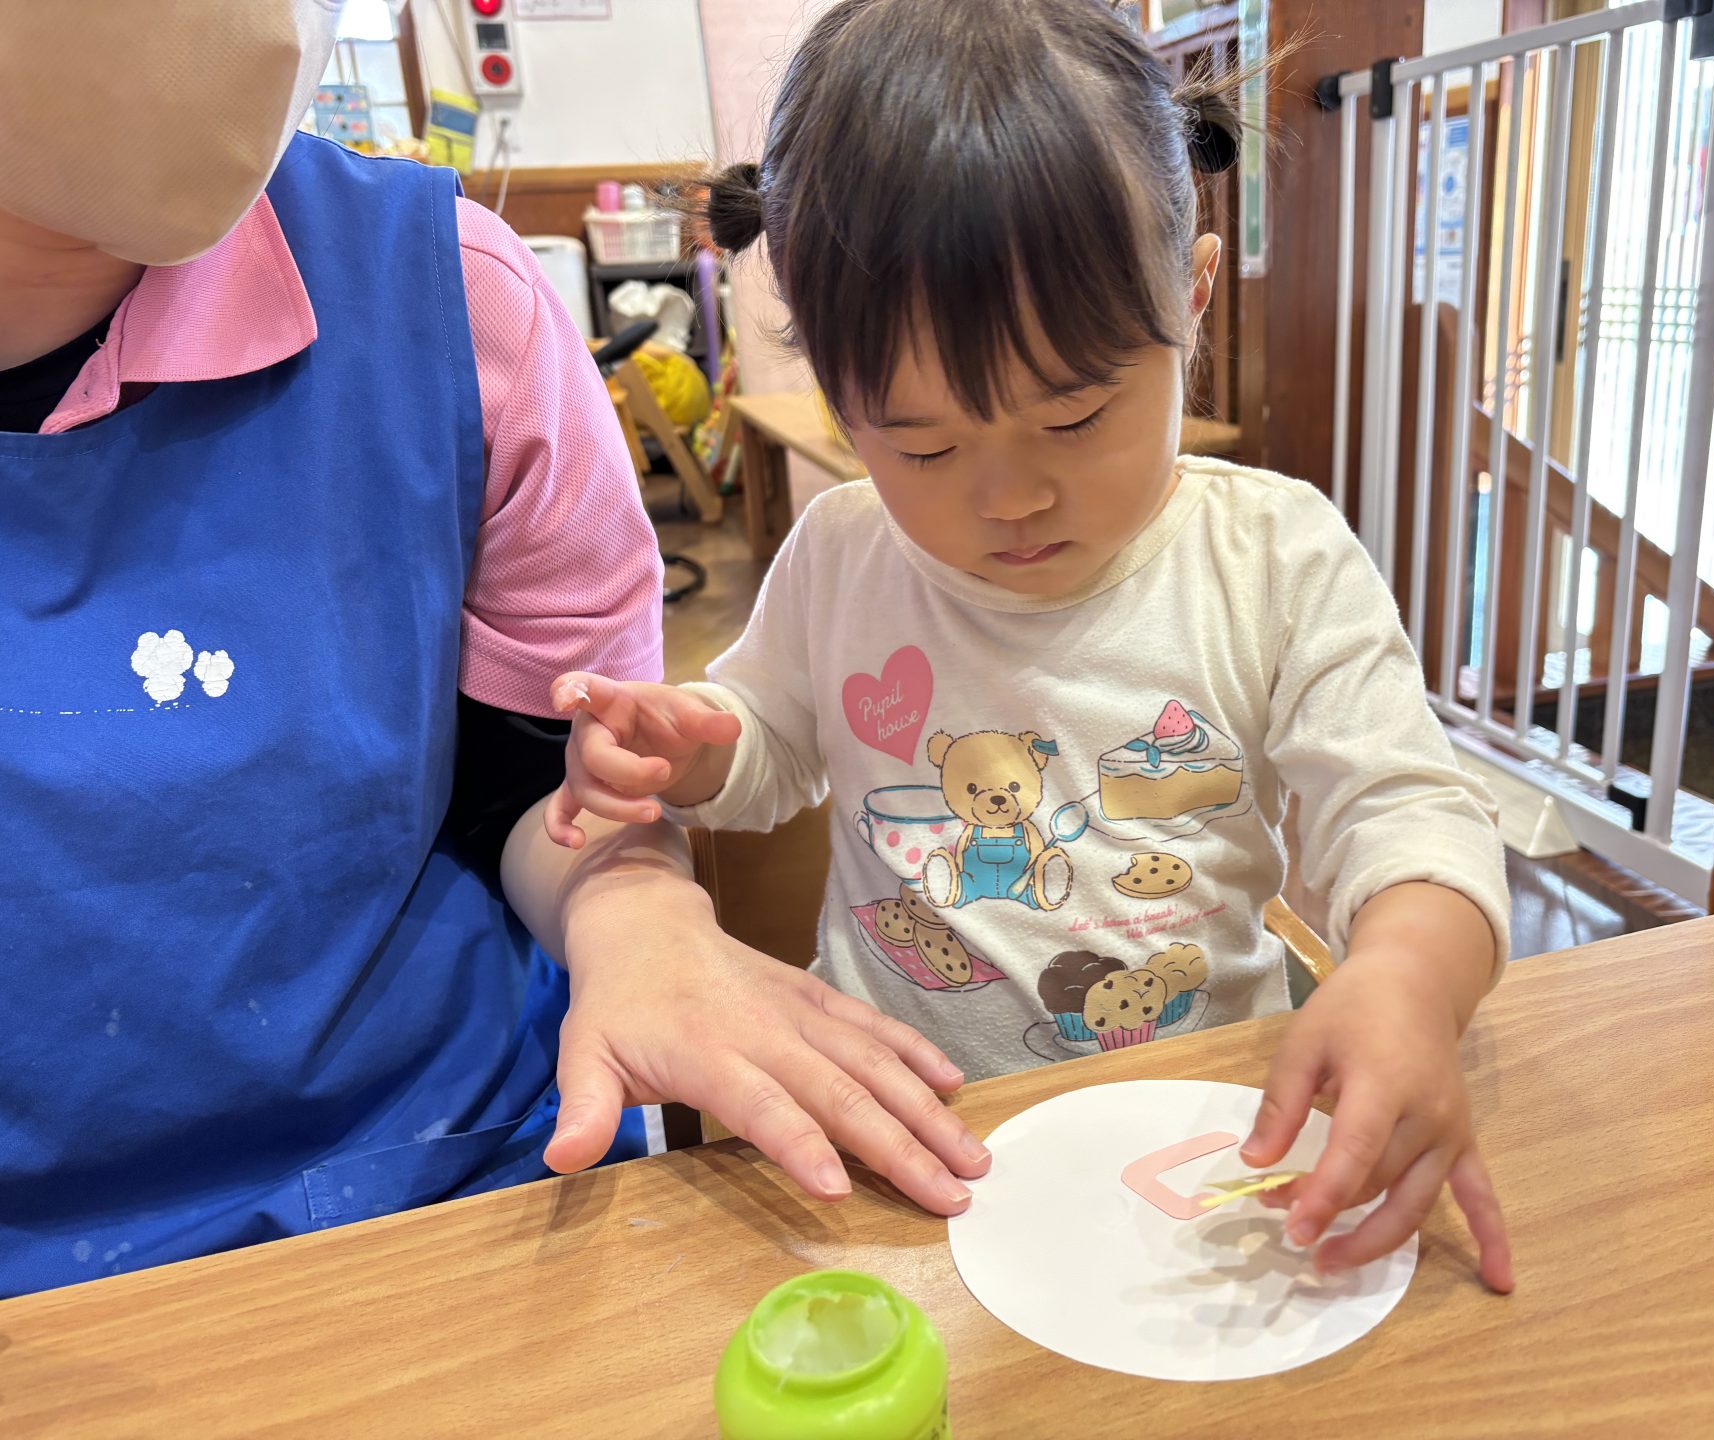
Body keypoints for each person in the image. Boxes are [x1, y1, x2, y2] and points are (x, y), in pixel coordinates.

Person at [0, 0, 983, 1299]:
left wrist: (639, 912)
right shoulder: (837, 556)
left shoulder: (454, 301)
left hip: (454, 1169)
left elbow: (543, 779)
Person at [553, 0, 1516, 1289]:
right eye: (924, 445)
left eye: (1073, 419)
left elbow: (1405, 813)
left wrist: (1406, 973)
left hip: (1197, 1133)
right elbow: (774, 742)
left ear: (1193, 298)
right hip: (907, 1133)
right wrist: (700, 745)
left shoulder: (1274, 557)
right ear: (837, 392)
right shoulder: (842, 553)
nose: (1010, 498)